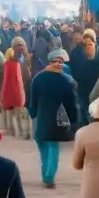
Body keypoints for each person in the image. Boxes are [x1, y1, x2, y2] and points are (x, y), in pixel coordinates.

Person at [28, 48, 78, 189]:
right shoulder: (65, 80)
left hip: (42, 117)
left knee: (44, 147)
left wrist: (32, 113)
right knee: (53, 147)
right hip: (56, 118)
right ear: (50, 62)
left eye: (60, 61)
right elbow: (70, 103)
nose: (58, 64)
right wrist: (73, 120)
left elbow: (33, 100)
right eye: (56, 61)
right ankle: (49, 177)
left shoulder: (38, 78)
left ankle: (47, 176)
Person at [70, 30, 99, 127]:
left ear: (94, 44)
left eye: (89, 44)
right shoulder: (79, 59)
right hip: (83, 90)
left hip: (97, 92)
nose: (87, 47)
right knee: (84, 111)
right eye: (85, 45)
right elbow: (75, 72)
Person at [0, 47, 30, 139]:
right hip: (19, 92)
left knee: (12, 114)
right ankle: (24, 132)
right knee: (19, 115)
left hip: (10, 92)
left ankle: (14, 131)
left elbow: (5, 80)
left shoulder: (7, 65)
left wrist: (2, 94)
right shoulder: (19, 63)